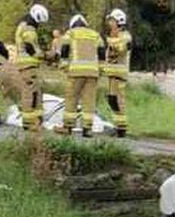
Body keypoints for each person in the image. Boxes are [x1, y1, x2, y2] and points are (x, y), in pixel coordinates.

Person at [56, 14, 103, 137]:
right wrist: (100, 70)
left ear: (72, 25)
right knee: (89, 100)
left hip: (76, 72)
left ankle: (68, 127)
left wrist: (64, 66)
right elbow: (102, 53)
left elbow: (64, 51)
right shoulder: (95, 35)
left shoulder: (70, 33)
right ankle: (87, 129)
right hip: (92, 73)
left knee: (71, 98)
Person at [14, 3, 50, 131]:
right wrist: (46, 55)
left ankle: (35, 121)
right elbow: (31, 47)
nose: (39, 25)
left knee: (35, 92)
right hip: (28, 64)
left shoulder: (23, 25)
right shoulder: (29, 28)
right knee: (31, 93)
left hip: (25, 64)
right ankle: (29, 122)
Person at [103, 8, 133, 138]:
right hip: (112, 73)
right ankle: (118, 125)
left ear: (119, 21)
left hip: (119, 74)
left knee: (118, 100)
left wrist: (111, 41)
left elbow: (122, 49)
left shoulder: (126, 36)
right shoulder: (114, 36)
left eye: (112, 20)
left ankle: (122, 128)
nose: (110, 23)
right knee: (112, 100)